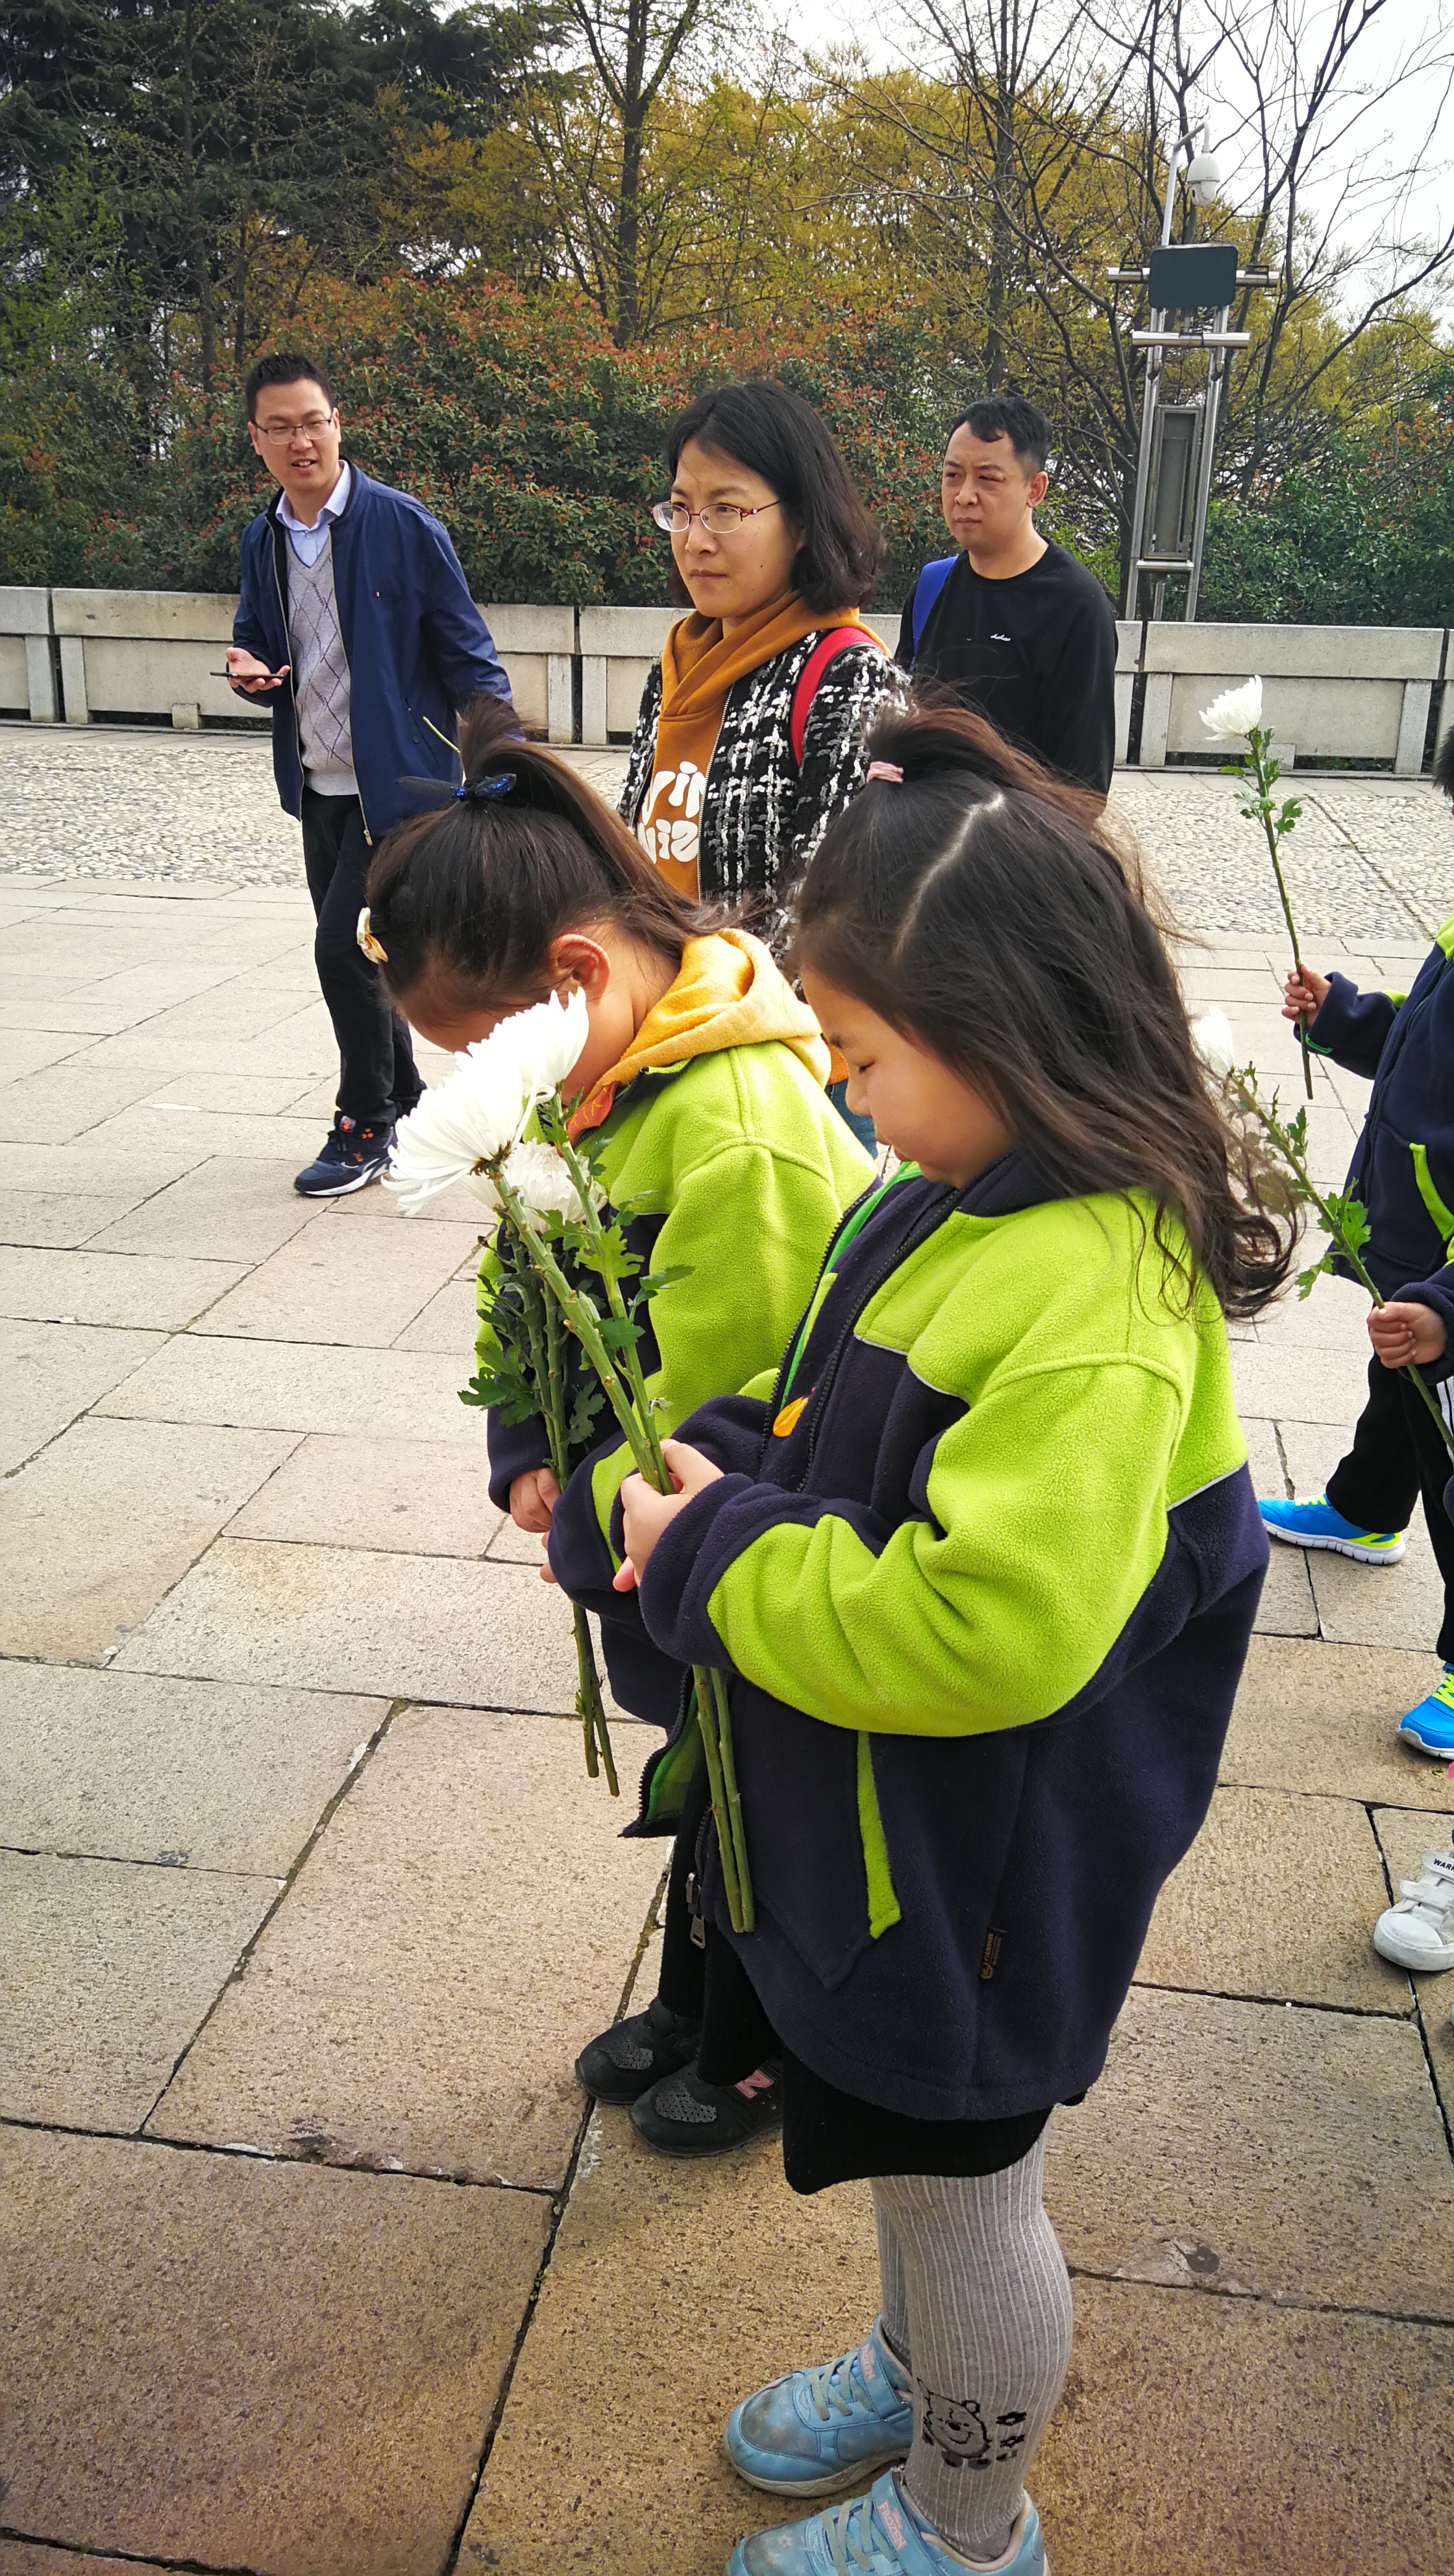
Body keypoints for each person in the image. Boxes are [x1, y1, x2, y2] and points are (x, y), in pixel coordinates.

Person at [554, 702, 1294, 2576]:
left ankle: (971, 2518)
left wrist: (714, 1553)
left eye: (865, 1054)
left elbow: (986, 1631)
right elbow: (823, 1419)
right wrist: (704, 1475)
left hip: (981, 1876)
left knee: (975, 2199)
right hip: (905, 1844)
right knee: (922, 2167)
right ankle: (919, 2364)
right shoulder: (953, 1196)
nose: (846, 1091)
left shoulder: (1094, 1297)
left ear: (1006, 1033)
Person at [361, 696, 875, 2154]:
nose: (476, 1096)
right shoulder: (591, 1073)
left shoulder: (733, 1123)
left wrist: (604, 1528)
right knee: (700, 1776)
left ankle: (761, 2040)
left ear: (575, 974)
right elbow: (520, 1285)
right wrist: (521, 1441)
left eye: (476, 1058)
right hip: (637, 1533)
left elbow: (732, 1417)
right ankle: (693, 1991)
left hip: (728, 1545)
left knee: (753, 1784)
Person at [1258, 724, 1454, 1988]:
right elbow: (1419, 1045)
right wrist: (1346, 1018)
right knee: (1400, 1392)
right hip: (1416, 1250)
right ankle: (1359, 1509)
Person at [227, 349, 513, 1197]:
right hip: (317, 782)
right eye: (279, 427)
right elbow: (262, 643)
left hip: (399, 791)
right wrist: (251, 672)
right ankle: (409, 1104)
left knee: (341, 951)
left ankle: (363, 1122)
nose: (299, 441)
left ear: (337, 424)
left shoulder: (401, 525)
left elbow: (469, 654)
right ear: (257, 439)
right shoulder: (263, 538)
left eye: (312, 422)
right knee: (370, 954)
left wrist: (507, 762)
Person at [620, 378, 897, 1150]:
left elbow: (830, 909)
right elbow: (630, 848)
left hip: (785, 1070)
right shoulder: (679, 662)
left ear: (802, 522)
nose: (695, 537)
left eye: (727, 509)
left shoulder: (846, 673)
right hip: (661, 1039)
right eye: (679, 508)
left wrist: (711, 1030)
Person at [897, 394, 1118, 798]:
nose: (964, 495)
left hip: (1012, 848)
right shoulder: (932, 587)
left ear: (1035, 489)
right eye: (952, 476)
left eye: (988, 478)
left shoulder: (1074, 605)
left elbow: (1084, 788)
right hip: (922, 841)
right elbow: (901, 726)